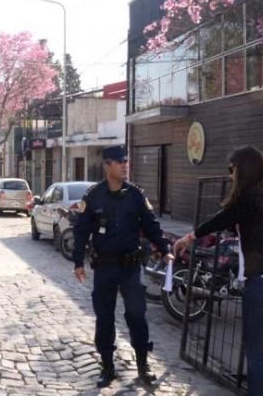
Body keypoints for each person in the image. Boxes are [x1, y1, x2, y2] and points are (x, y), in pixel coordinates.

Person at [174, 145, 263, 396]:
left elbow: (220, 219)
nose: (230, 174)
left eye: (232, 169)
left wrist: (190, 237)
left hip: (261, 285)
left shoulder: (250, 199)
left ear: (243, 170)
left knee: (255, 352)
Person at [72, 145, 174, 388]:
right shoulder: (93, 195)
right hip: (105, 267)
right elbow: (81, 230)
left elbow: (151, 225)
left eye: (126, 161)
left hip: (130, 267)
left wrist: (165, 249)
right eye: (119, 162)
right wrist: (78, 261)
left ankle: (142, 365)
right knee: (104, 317)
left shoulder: (136, 195)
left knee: (137, 315)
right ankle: (107, 367)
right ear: (107, 165)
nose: (125, 165)